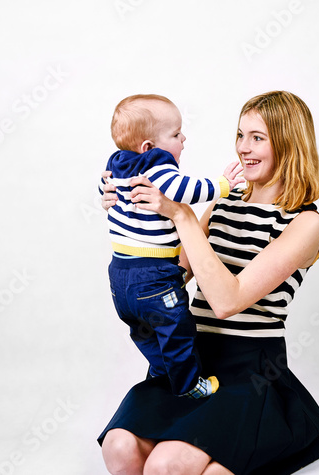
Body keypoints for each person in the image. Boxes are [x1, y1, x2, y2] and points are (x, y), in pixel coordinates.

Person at [98, 91, 319, 474]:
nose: (244, 148)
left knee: (167, 464)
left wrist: (182, 216)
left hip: (250, 370)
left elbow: (227, 300)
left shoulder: (306, 223)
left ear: (289, 142)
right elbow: (173, 274)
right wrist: (127, 204)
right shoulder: (223, 204)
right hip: (192, 358)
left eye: (258, 137)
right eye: (240, 135)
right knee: (119, 447)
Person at [101, 94, 240, 399]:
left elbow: (105, 185)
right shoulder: (157, 163)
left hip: (119, 276)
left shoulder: (116, 162)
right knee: (177, 331)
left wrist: (105, 194)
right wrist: (222, 185)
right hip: (153, 275)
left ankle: (163, 371)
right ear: (149, 147)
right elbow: (184, 189)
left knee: (142, 330)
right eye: (176, 134)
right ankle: (189, 385)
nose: (184, 138)